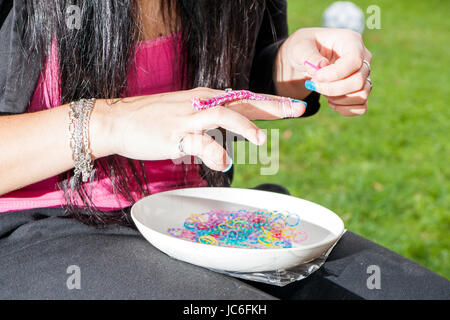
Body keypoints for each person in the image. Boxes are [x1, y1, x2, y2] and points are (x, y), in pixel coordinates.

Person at [0, 0, 378, 299]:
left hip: (202, 220)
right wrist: (108, 122)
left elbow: (239, 75)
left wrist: (291, 66)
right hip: (48, 226)